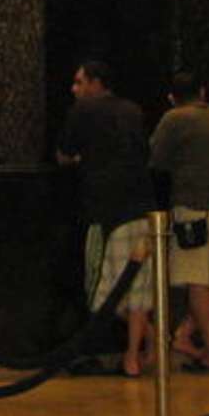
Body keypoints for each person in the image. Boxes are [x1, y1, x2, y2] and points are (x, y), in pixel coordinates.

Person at [57, 59, 156, 377]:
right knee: (138, 290)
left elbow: (63, 154)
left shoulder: (83, 111)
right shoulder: (133, 110)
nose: (74, 89)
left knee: (100, 290)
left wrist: (80, 158)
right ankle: (133, 357)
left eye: (79, 82)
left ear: (95, 83)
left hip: (105, 213)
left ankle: (104, 352)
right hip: (143, 209)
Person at [149, 69, 209, 371]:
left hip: (190, 208)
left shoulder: (174, 119)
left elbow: (157, 160)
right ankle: (187, 335)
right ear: (203, 92)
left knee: (196, 281)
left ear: (172, 97)